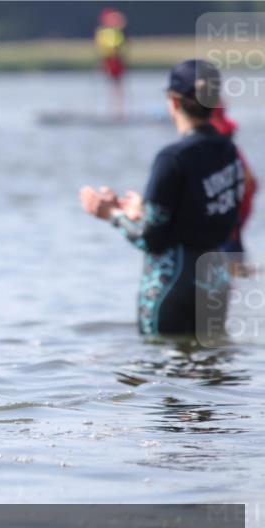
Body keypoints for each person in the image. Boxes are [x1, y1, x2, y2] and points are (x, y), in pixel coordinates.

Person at [80, 59, 244, 337]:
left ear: (173, 101)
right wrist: (144, 211)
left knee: (159, 370)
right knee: (213, 372)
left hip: (172, 281)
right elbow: (205, 216)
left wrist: (110, 214)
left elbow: (151, 239)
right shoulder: (228, 150)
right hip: (215, 278)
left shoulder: (172, 158)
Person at [208, 105, 257, 260]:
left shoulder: (224, 153)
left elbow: (251, 184)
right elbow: (252, 184)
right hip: (231, 232)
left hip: (224, 236)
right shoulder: (232, 152)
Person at [95, 8, 128, 119]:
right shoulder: (106, 32)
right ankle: (113, 110)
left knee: (117, 86)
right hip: (110, 60)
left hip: (115, 60)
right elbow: (104, 48)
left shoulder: (115, 31)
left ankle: (118, 111)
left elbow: (121, 47)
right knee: (114, 85)